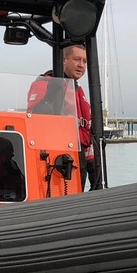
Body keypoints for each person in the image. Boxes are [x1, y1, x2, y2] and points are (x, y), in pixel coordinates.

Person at [26, 42, 100, 190]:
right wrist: (51, 95)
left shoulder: (78, 90)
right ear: (64, 60)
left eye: (84, 61)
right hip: (57, 159)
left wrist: (95, 171)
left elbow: (85, 132)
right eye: (76, 59)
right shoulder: (45, 83)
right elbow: (35, 116)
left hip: (79, 157)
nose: (81, 65)